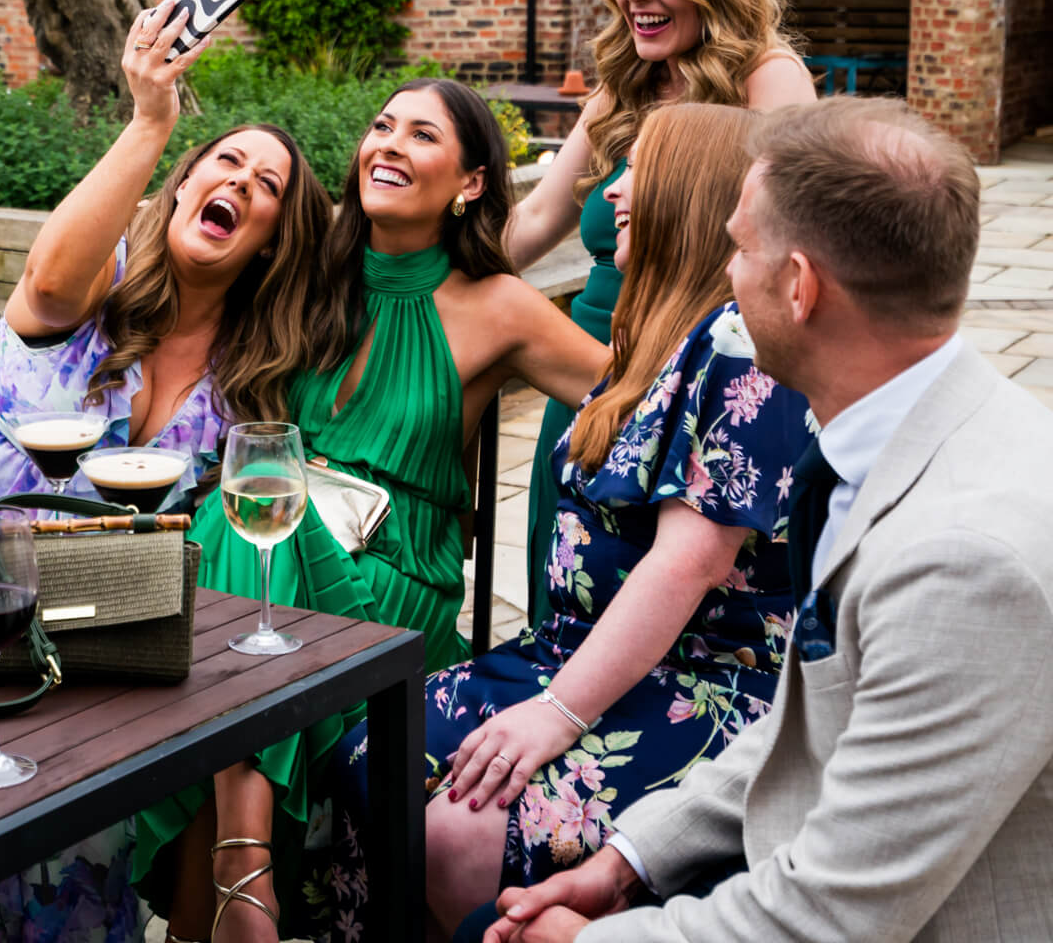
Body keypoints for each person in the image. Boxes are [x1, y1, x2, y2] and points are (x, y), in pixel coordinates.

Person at [489, 97, 1053, 943]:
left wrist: (585, 942)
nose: (727, 272)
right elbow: (813, 717)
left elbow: (833, 912)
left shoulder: (965, 565)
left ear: (799, 287)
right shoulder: (887, 432)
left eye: (740, 248)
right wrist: (631, 858)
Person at [0, 2, 335, 942]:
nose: (239, 180)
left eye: (267, 183)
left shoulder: (250, 382)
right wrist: (151, 119)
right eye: (224, 162)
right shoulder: (97, 281)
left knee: (73, 822)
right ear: (181, 186)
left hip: (75, 619)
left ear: (273, 237)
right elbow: (43, 285)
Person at [321, 103, 813, 941]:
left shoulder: (739, 348)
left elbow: (687, 563)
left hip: (701, 682)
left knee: (459, 832)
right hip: (571, 649)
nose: (612, 193)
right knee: (370, 754)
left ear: (690, 196)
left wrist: (557, 713)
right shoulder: (657, 335)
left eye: (637, 173)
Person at [135, 79, 610, 943]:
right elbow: (182, 247)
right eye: (382, 126)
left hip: (395, 587)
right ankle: (245, 871)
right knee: (253, 526)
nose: (387, 143)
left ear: (470, 181)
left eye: (421, 135)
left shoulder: (498, 306)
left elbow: (643, 406)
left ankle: (236, 878)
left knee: (251, 529)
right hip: (268, 554)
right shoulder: (309, 272)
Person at [504, 0, 817, 626]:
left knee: (666, 600)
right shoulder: (624, 84)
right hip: (589, 365)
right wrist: (423, 264)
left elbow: (796, 237)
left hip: (695, 373)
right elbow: (538, 216)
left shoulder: (768, 79)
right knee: (565, 581)